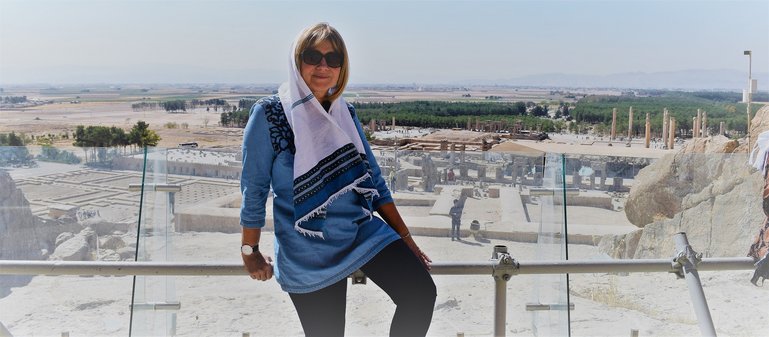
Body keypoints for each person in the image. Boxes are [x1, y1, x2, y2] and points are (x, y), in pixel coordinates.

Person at [239, 22, 436, 336]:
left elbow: (373, 181)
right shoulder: (270, 115)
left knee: (421, 294)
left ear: (342, 68)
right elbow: (254, 190)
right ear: (296, 60)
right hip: (307, 248)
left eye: (333, 59)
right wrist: (249, 251)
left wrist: (406, 240)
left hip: (360, 233)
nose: (323, 66)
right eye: (313, 56)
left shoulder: (345, 113)